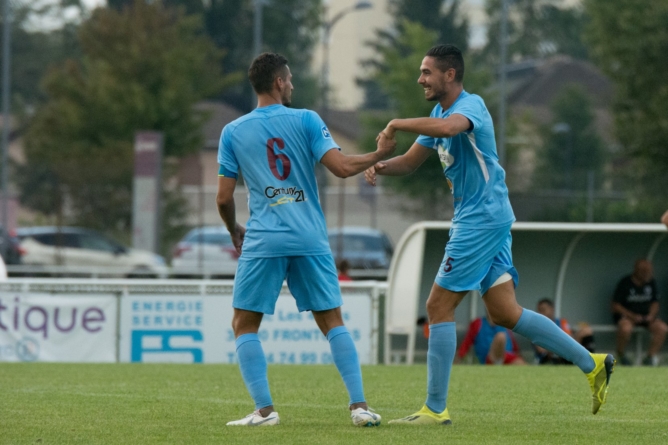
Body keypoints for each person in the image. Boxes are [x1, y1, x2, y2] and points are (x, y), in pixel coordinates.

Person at [364, 44, 615, 424]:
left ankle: (434, 409)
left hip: (480, 220)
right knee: (504, 312)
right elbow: (411, 162)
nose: (420, 79)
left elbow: (450, 128)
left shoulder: (471, 106)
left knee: (437, 306)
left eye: (427, 72)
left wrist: (397, 122)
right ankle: (592, 362)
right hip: (488, 217)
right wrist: (378, 166)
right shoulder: (437, 112)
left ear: (450, 75)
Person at [217, 52, 396, 427]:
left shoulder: (233, 131)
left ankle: (264, 411)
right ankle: (360, 407)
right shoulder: (307, 119)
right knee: (332, 320)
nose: (293, 84)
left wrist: (234, 229)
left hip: (264, 239)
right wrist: (378, 154)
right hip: (309, 237)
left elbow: (222, 197)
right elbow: (342, 167)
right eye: (291, 78)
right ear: (279, 82)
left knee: (244, 325)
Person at [612, 259, 668, 366]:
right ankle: (621, 355)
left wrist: (651, 316)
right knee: (625, 328)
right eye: (645, 271)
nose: (648, 274)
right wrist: (632, 316)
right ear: (637, 271)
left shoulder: (651, 283)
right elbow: (615, 305)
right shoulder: (625, 283)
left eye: (649, 271)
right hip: (628, 317)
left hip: (646, 318)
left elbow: (655, 303)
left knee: (662, 328)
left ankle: (649, 358)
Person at [534, 298, 595, 364]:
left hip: (565, 352)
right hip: (549, 356)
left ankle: (589, 361)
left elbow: (569, 338)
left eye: (543, 310)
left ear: (552, 309)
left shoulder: (561, 322)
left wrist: (579, 335)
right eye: (539, 311)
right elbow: (541, 350)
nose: (541, 313)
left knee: (587, 332)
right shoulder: (537, 326)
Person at [455, 316, 525, 365]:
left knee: (521, 364)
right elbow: (466, 343)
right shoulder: (478, 323)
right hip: (489, 358)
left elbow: (514, 345)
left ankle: (501, 364)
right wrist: (458, 359)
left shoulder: (505, 324)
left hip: (508, 357)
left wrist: (519, 356)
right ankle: (498, 364)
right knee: (501, 336)